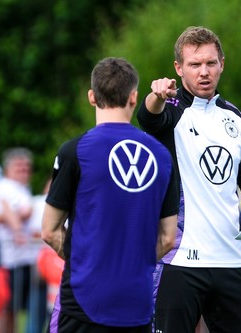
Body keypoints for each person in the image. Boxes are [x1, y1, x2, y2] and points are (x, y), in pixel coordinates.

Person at [137, 26, 241, 333]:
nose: (204, 72)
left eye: (211, 63)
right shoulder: (172, 110)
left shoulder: (234, 118)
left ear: (222, 64)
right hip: (180, 261)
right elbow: (148, 117)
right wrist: (156, 94)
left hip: (230, 260)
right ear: (178, 68)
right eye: (195, 65)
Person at [41, 57, 178, 333]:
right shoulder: (162, 156)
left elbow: (49, 230)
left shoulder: (74, 150)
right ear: (134, 97)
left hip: (83, 299)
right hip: (136, 301)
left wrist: (89, 260)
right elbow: (167, 238)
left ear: (92, 97)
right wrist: (131, 263)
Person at [0, 147, 39, 333]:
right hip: (8, 258)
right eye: (19, 167)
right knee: (6, 307)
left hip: (25, 257)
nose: (24, 171)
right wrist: (17, 223)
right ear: (8, 168)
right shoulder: (3, 187)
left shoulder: (23, 189)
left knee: (16, 310)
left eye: (26, 167)